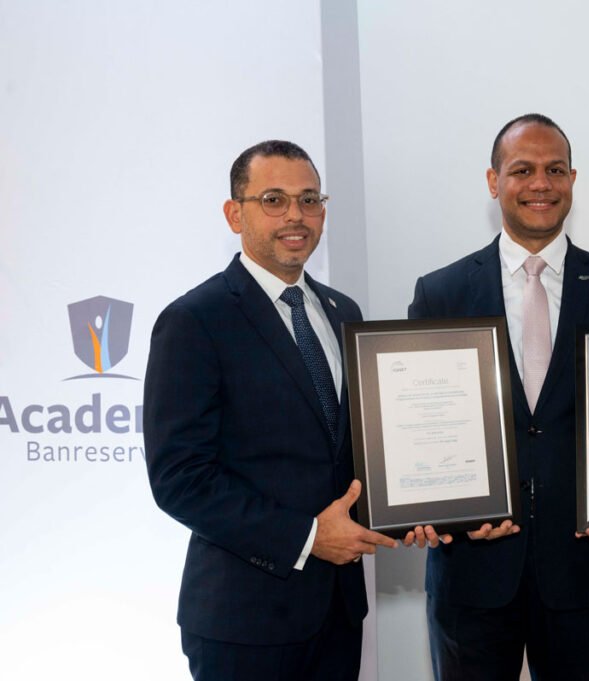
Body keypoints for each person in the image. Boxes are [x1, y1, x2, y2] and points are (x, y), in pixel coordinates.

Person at [406, 114, 589, 680]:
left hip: (584, 564)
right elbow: (420, 426)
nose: (540, 183)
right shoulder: (441, 293)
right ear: (493, 181)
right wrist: (440, 511)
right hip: (471, 568)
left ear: (573, 180)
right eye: (522, 170)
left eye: (555, 170)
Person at [144, 140, 398, 681]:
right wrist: (307, 537)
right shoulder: (195, 320)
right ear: (235, 213)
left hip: (337, 613)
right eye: (274, 200)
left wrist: (418, 508)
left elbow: (356, 449)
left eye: (309, 200)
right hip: (244, 620)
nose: (296, 216)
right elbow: (180, 479)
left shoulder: (343, 311)